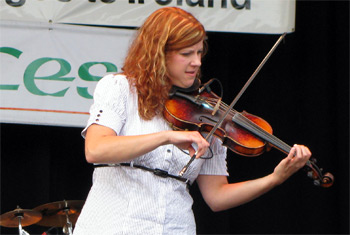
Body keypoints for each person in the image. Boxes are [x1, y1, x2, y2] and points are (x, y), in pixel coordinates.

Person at [73, 7, 311, 235]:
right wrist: (166, 136)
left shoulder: (207, 115)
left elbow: (217, 197)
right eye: (186, 54)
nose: (196, 62)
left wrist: (274, 179)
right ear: (158, 54)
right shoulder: (120, 88)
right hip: (112, 226)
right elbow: (95, 150)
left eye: (199, 52)